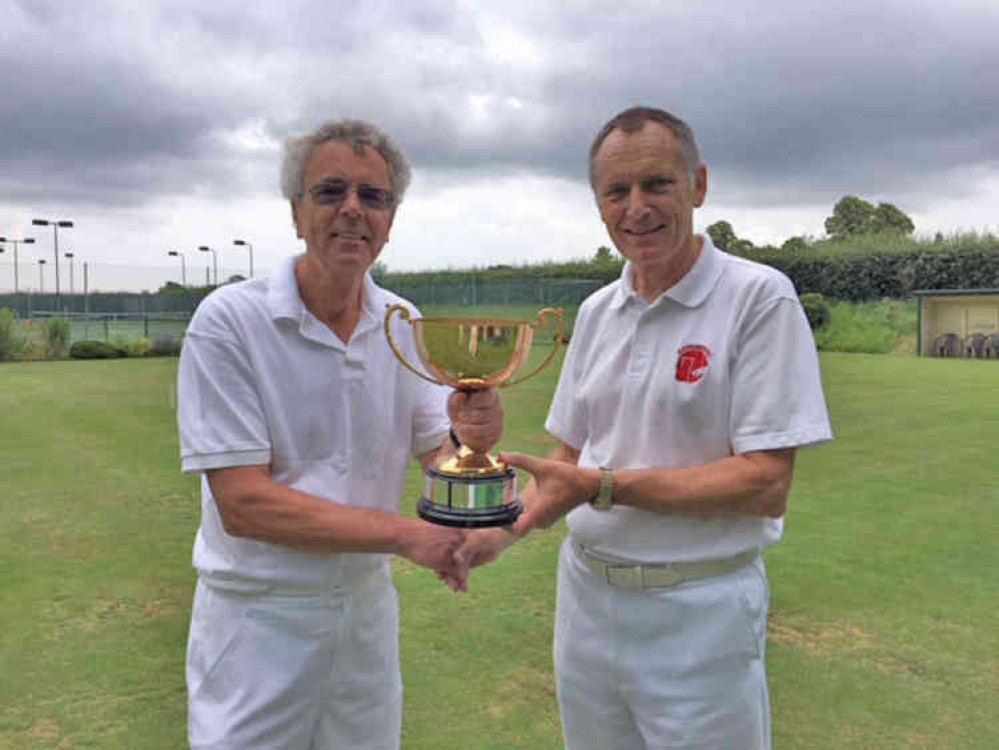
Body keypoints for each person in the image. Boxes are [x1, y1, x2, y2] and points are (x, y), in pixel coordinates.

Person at [460, 106, 833, 749]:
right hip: (586, 605)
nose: (637, 207)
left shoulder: (759, 298)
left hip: (699, 611)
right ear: (599, 203)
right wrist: (499, 532)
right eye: (617, 191)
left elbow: (764, 483)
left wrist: (604, 486)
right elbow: (567, 460)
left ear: (699, 185)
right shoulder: (598, 311)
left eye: (657, 184)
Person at [176, 118, 501, 749]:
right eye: (330, 192)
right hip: (257, 619)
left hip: (365, 616)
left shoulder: (402, 321)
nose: (353, 210)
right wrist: (411, 536)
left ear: (390, 219)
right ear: (297, 213)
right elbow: (242, 504)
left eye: (372, 196)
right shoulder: (228, 322)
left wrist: (474, 442)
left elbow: (440, 449)